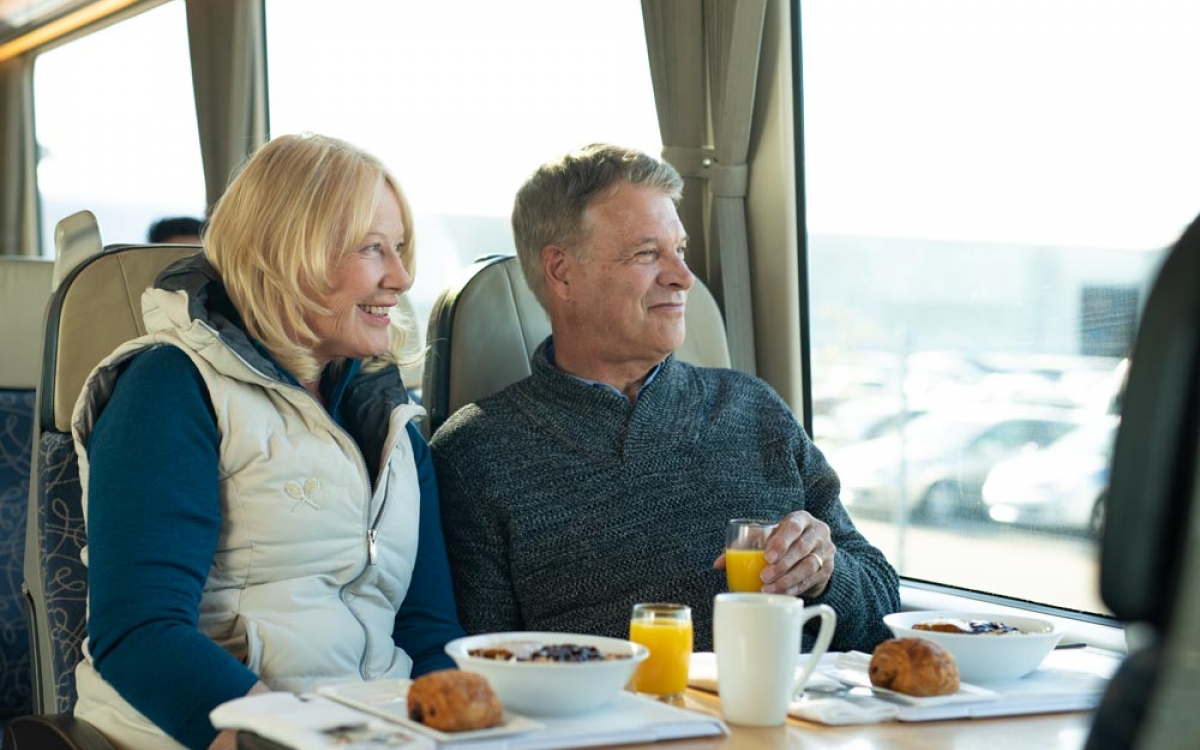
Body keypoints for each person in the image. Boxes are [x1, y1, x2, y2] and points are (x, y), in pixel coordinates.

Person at [72, 133, 465, 750]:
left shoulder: (391, 422)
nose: (402, 276)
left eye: (400, 248)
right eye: (373, 248)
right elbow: (141, 633)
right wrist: (290, 735)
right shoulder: (170, 390)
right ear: (289, 253)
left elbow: (426, 629)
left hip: (370, 731)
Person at [431, 143, 900, 654]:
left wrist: (826, 574)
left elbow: (883, 610)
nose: (683, 277)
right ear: (562, 272)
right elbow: (485, 667)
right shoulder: (475, 455)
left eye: (681, 250)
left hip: (803, 700)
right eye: (647, 253)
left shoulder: (754, 408)